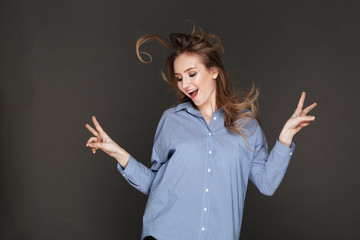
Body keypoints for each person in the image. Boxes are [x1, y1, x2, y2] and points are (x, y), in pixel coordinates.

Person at [85, 24, 317, 240]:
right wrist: (118, 153)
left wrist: (285, 138)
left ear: (214, 71)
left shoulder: (247, 125)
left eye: (192, 74)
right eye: (179, 78)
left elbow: (267, 184)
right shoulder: (171, 120)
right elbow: (155, 184)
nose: (185, 84)